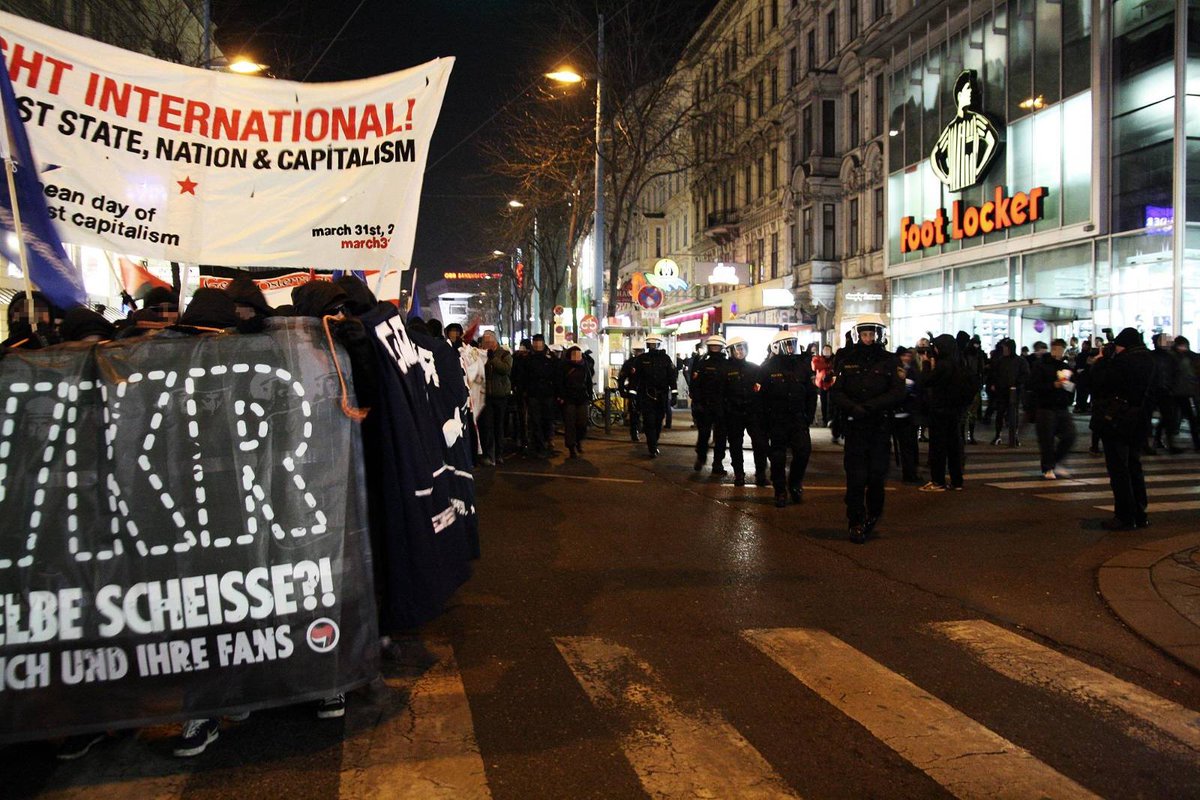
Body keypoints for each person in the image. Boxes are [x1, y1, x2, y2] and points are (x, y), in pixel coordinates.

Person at [830, 315, 906, 544]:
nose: (868, 338)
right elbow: (836, 391)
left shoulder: (890, 361)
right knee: (855, 478)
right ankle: (855, 521)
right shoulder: (847, 361)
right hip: (855, 426)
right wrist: (852, 407)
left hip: (879, 426)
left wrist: (872, 406)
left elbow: (897, 391)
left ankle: (873, 514)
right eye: (864, 334)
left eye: (872, 334)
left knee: (876, 477)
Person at [1090, 328, 1156, 530]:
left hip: (1118, 421)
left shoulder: (1123, 361)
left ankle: (1124, 516)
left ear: (1123, 344)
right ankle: (1140, 513)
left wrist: (1101, 361)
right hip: (1140, 420)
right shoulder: (1150, 360)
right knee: (1134, 466)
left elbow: (1099, 384)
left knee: (1119, 469)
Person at [758, 330, 816, 506]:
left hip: (798, 419)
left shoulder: (802, 366)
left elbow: (811, 394)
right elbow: (760, 397)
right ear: (777, 347)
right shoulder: (767, 368)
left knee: (803, 451)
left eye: (792, 344)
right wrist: (763, 422)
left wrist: (808, 416)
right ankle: (780, 490)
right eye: (787, 344)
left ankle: (795, 482)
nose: (790, 348)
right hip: (776, 419)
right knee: (778, 457)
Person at [918, 334, 971, 492]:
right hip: (955, 411)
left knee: (938, 447)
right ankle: (957, 481)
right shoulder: (959, 364)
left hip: (940, 411)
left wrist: (926, 365)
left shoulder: (943, 366)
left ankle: (938, 481)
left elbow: (926, 381)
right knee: (954, 447)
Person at [723, 336, 769, 485]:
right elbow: (720, 392)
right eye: (737, 348)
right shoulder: (725, 369)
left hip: (753, 412)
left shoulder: (755, 368)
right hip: (733, 412)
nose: (740, 351)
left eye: (742, 348)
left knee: (760, 443)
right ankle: (738, 474)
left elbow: (762, 390)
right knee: (735, 445)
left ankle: (761, 474)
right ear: (730, 351)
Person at [1030, 338, 1077, 479]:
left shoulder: (1065, 367)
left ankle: (1055, 462)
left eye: (1061, 349)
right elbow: (1034, 385)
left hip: (1062, 406)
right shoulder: (1041, 365)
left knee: (1070, 435)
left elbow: (1072, 385)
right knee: (1047, 440)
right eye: (1055, 349)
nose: (1058, 352)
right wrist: (1053, 385)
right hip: (1046, 407)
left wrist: (1069, 387)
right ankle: (1047, 467)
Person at [627, 333, 676, 457]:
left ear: (659, 344)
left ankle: (654, 441)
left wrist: (674, 393)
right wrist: (632, 394)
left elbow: (672, 377)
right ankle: (652, 447)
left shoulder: (665, 359)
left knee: (658, 421)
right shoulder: (641, 359)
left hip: (661, 396)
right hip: (646, 395)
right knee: (649, 422)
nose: (652, 345)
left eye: (654, 343)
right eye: (650, 343)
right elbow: (635, 379)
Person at [689, 334, 729, 474]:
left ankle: (717, 463)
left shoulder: (726, 364)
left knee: (720, 437)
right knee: (704, 435)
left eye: (717, 346)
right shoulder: (702, 363)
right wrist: (697, 402)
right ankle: (701, 457)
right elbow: (695, 385)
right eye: (712, 346)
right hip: (706, 406)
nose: (715, 348)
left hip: (721, 406)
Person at [479, 331, 512, 466]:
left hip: (500, 396)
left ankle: (499, 454)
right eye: (484, 343)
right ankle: (489, 455)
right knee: (488, 426)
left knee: (499, 426)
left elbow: (505, 369)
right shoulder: (481, 354)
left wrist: (493, 359)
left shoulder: (504, 354)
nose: (485, 345)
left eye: (488, 343)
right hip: (486, 396)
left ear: (494, 342)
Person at [987, 338, 1028, 446]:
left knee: (1012, 414)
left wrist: (1017, 384)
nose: (1004, 350)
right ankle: (999, 435)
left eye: (1006, 348)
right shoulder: (1001, 361)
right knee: (1001, 413)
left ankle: (1013, 435)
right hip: (1003, 390)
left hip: (1013, 391)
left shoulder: (1019, 361)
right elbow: (995, 373)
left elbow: (1025, 374)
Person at [893, 346, 923, 484]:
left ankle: (910, 473)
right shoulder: (895, 371)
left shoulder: (912, 371)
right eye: (904, 356)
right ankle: (909, 474)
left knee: (909, 446)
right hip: (899, 413)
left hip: (908, 413)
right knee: (907, 446)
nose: (906, 358)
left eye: (908, 356)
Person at [524, 333, 558, 457]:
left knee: (547, 419)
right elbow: (523, 376)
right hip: (534, 393)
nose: (537, 344)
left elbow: (556, 375)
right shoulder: (528, 358)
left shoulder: (550, 357)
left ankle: (548, 444)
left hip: (547, 393)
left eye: (539, 342)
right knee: (535, 421)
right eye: (535, 342)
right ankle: (539, 446)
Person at [557, 345, 592, 457]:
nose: (576, 356)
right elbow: (560, 382)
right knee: (570, 423)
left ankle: (579, 441)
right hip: (569, 398)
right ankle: (571, 447)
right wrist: (561, 396)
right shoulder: (564, 366)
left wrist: (589, 396)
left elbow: (589, 381)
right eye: (574, 354)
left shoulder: (584, 365)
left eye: (578, 354)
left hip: (582, 398)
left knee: (582, 422)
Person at [1172, 335, 1200, 451]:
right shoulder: (1174, 358)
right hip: (1178, 392)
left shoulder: (1190, 357)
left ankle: (1197, 443)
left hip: (1186, 391)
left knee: (1188, 418)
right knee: (1172, 418)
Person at [617, 351, 642, 442]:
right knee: (634, 412)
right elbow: (622, 377)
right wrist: (621, 390)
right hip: (635, 392)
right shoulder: (630, 363)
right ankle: (635, 432)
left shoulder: (632, 362)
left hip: (643, 392)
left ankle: (637, 431)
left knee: (637, 413)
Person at [812, 344, 836, 426]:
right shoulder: (818, 358)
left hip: (832, 383)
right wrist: (828, 366)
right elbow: (815, 366)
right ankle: (825, 420)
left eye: (828, 350)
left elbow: (836, 367)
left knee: (831, 402)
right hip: (821, 384)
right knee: (823, 402)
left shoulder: (834, 359)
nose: (826, 351)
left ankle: (830, 419)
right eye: (825, 350)